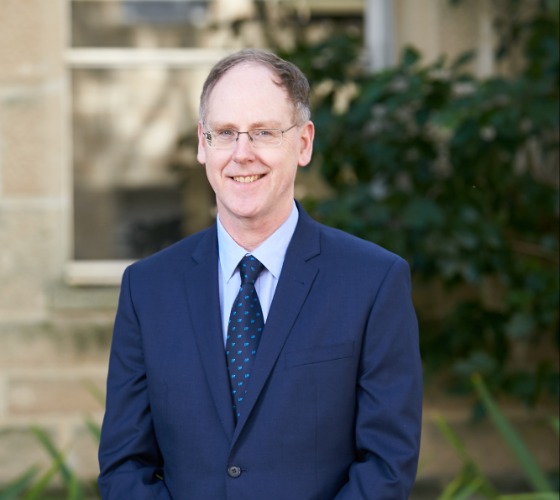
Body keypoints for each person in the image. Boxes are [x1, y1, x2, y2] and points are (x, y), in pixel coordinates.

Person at [98, 48, 422, 499]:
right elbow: (124, 467)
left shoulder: (372, 283)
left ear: (303, 143)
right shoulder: (147, 289)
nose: (242, 154)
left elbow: (387, 465)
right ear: (202, 144)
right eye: (225, 133)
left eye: (264, 133)